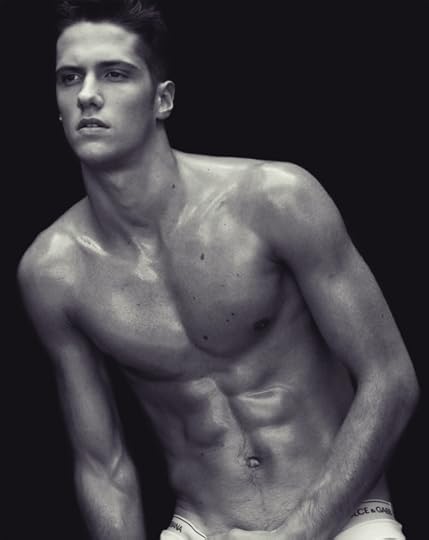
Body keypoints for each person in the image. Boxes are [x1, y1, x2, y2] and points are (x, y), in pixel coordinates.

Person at [17, 1, 419, 539]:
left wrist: (299, 534)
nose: (87, 94)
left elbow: (391, 379)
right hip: (202, 527)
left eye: (114, 73)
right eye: (70, 78)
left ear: (163, 99)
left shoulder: (274, 199)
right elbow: (103, 465)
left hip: (342, 520)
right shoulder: (54, 272)